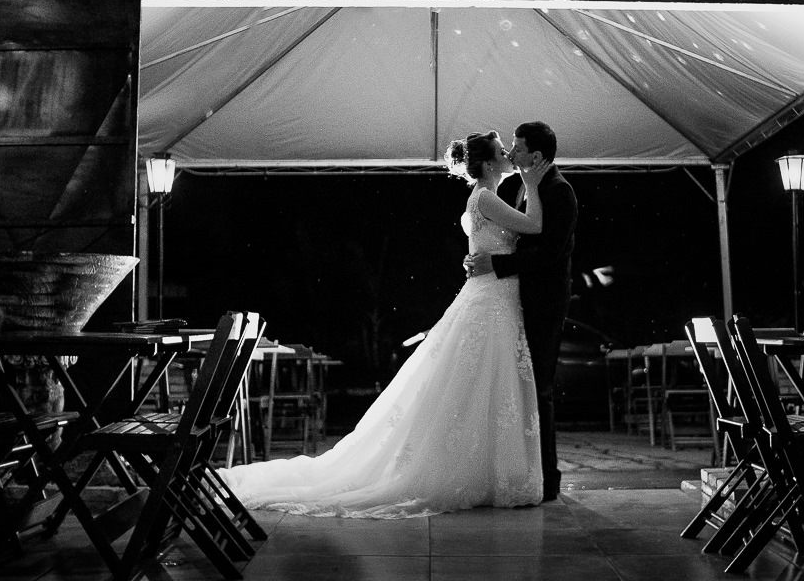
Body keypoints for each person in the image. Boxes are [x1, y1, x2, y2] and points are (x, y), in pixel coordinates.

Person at [218, 131, 551, 518]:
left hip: (491, 296)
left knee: (481, 383)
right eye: (502, 151)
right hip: (491, 300)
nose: (509, 155)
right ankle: (479, 471)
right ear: (490, 164)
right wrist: (531, 183)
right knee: (482, 382)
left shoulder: (482, 196)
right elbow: (535, 226)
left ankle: (485, 471)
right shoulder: (486, 198)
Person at [465, 121, 577, 502]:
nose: (511, 153)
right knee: (518, 388)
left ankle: (548, 480)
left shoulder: (559, 191)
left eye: (517, 147)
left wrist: (494, 264)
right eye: (507, 148)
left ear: (536, 156)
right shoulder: (522, 188)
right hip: (513, 300)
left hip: (545, 303)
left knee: (539, 387)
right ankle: (521, 471)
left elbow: (550, 253)